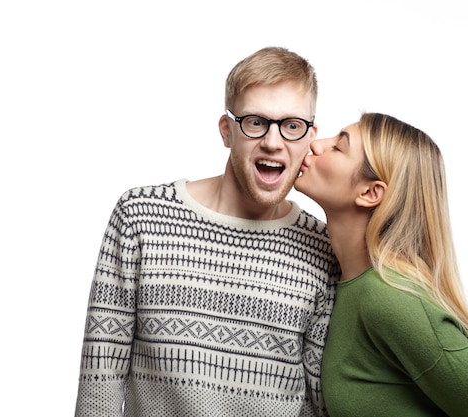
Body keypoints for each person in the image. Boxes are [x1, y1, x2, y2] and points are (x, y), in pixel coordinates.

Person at [74, 46, 339, 417]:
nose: (273, 142)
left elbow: (318, 405)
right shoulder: (141, 218)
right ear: (227, 131)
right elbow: (98, 386)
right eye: (255, 122)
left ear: (310, 136)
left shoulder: (324, 248)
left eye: (291, 125)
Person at [294, 112, 468, 416]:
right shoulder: (340, 281)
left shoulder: (391, 299)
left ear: (370, 192)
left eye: (338, 147)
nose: (316, 144)